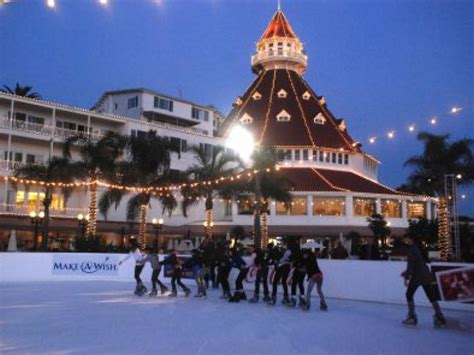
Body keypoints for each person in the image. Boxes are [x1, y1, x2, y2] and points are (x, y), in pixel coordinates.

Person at [401, 235, 446, 327]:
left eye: (406, 238)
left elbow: (411, 265)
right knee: (430, 296)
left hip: (417, 277)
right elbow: (419, 263)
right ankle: (440, 316)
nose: (405, 240)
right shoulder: (418, 248)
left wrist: (406, 277)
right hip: (425, 275)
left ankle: (412, 317)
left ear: (411, 239)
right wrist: (406, 273)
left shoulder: (412, 250)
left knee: (409, 294)